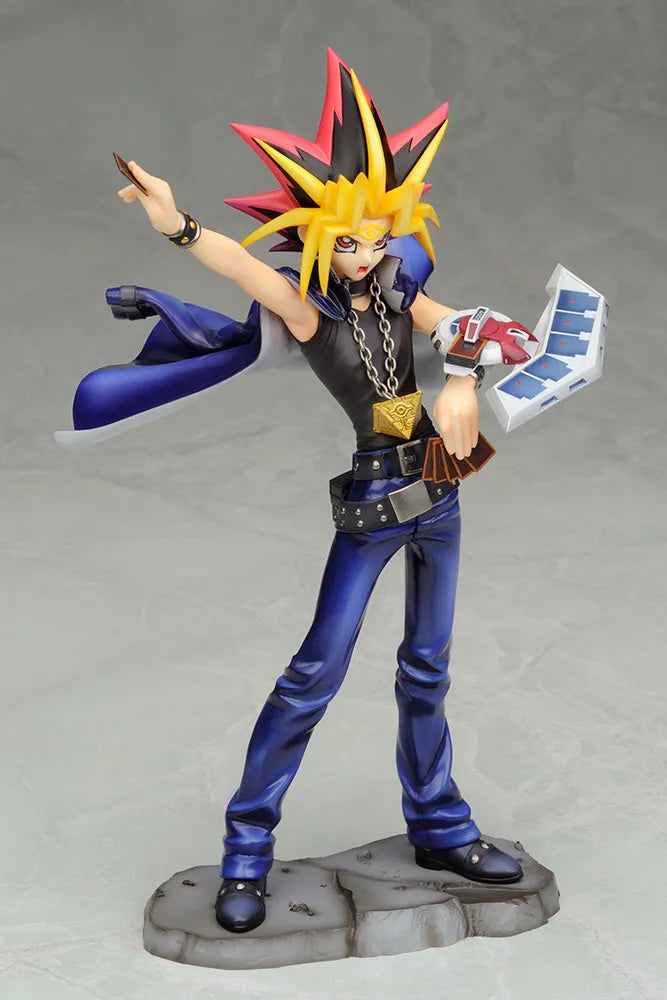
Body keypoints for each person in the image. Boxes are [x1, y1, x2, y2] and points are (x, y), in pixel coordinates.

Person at [108, 49, 527, 933]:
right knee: (313, 675)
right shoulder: (312, 311)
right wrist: (175, 224)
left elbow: (478, 329)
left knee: (428, 669)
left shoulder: (398, 287)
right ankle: (246, 851)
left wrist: (461, 376)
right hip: (375, 503)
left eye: (376, 238)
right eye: (346, 241)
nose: (364, 254)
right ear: (315, 237)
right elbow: (239, 266)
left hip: (441, 488)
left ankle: (439, 825)